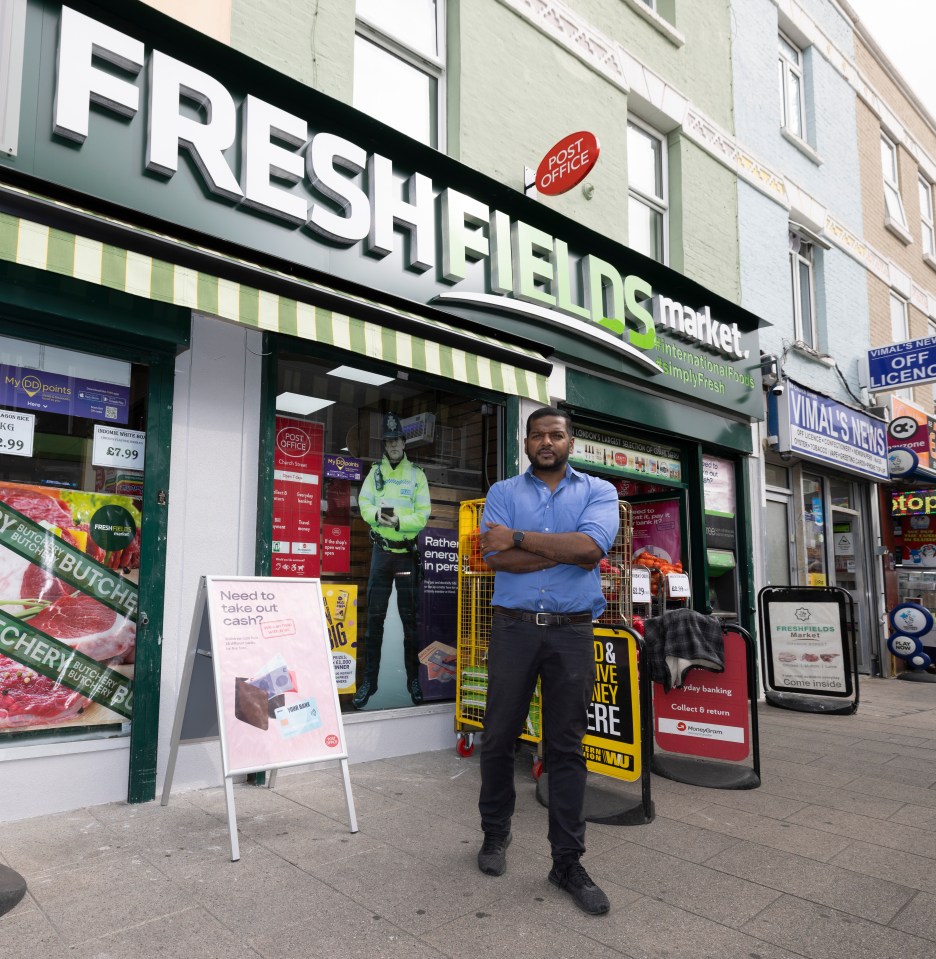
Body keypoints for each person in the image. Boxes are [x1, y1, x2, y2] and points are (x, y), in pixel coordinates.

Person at [476, 406, 619, 916]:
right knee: (496, 737)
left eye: (555, 435)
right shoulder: (502, 493)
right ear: (526, 442)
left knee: (565, 747)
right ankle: (496, 834)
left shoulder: (599, 492)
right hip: (513, 629)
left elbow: (591, 548)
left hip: (573, 633)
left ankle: (567, 861)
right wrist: (565, 551)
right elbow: (495, 558)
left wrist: (519, 538)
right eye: (537, 434)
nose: (546, 442)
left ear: (569, 442)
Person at [354, 412, 431, 708]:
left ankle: (414, 679)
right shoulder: (375, 474)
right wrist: (380, 517)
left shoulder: (417, 475)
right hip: (381, 556)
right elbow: (364, 506)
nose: (394, 444)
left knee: (411, 623)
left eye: (398, 439)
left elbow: (422, 515)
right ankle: (369, 681)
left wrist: (398, 522)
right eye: (389, 441)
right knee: (374, 623)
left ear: (404, 441)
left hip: (406, 557)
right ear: (385, 444)